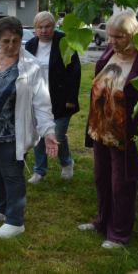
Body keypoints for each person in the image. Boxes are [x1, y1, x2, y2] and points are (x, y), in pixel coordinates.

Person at [0, 16, 59, 238]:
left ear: (21, 40)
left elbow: (42, 104)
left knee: (11, 173)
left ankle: (15, 220)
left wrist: (49, 132)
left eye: (16, 41)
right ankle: (1, 208)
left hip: (12, 132)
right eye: (5, 41)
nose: (10, 46)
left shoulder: (31, 66)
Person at [79, 11, 138, 248]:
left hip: (125, 136)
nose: (112, 42)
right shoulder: (112, 52)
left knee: (122, 185)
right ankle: (102, 222)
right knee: (101, 179)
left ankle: (119, 234)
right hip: (101, 130)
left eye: (119, 37)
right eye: (110, 36)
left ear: (133, 34)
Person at [25, 12, 81, 184]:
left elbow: (75, 70)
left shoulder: (63, 41)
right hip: (38, 98)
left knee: (58, 134)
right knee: (39, 134)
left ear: (54, 26)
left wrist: (71, 97)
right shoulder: (30, 44)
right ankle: (40, 172)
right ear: (35, 29)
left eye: (47, 26)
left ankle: (66, 162)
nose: (44, 31)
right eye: (40, 27)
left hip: (61, 98)